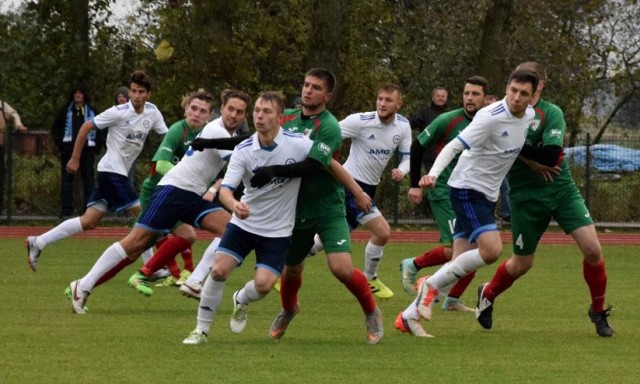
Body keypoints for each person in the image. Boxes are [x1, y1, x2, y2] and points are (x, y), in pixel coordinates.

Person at [66, 90, 243, 314]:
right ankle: (83, 285)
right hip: (172, 191)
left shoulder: (220, 133)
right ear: (222, 109)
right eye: (231, 109)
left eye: (240, 112)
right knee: (135, 243)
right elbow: (240, 160)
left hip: (191, 197)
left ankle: (194, 280)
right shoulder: (214, 130)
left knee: (232, 229)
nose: (234, 115)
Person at [476, 62, 613, 337]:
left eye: (530, 84)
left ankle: (597, 310)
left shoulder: (551, 113)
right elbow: (489, 145)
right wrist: (528, 157)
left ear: (539, 86)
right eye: (517, 85)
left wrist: (516, 150)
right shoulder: (497, 114)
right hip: (526, 198)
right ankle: (487, 293)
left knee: (593, 250)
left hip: (561, 190)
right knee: (521, 264)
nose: (521, 92)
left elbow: (550, 156)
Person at [250, 68, 382, 345]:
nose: (308, 90)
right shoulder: (285, 118)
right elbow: (254, 142)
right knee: (291, 269)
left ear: (328, 96)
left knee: (342, 268)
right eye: (306, 85)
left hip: (327, 206)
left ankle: (372, 311)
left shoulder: (329, 126)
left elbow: (315, 165)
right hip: (294, 208)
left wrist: (355, 192)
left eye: (316, 87)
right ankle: (288, 309)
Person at [407, 68, 538, 337]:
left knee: (457, 262)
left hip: (487, 194)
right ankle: (429, 285)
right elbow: (454, 146)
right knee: (491, 250)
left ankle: (410, 315)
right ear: (506, 89)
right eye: (513, 90)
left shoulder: (530, 117)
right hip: (466, 188)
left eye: (523, 93)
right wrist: (431, 174)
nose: (516, 97)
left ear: (533, 96)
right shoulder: (489, 117)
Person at [182, 91, 314, 344]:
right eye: (257, 111)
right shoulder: (244, 148)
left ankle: (241, 298)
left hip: (277, 231)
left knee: (263, 286)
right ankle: (201, 330)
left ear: (279, 117)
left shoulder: (299, 145)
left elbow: (323, 162)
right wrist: (233, 204)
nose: (260, 116)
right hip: (243, 225)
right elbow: (226, 190)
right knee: (219, 271)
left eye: (266, 112)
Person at [25, 70, 168, 272]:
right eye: (133, 91)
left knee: (89, 221)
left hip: (116, 172)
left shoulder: (153, 112)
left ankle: (38, 242)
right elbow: (85, 127)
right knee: (143, 216)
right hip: (112, 171)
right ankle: (152, 268)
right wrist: (75, 157)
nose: (136, 95)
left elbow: (168, 138)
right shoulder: (118, 112)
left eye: (141, 92)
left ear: (148, 94)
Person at [128, 90, 252, 298]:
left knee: (194, 234)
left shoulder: (218, 134)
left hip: (186, 193)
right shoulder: (182, 130)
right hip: (166, 190)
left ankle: (182, 277)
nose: (196, 114)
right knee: (137, 241)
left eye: (202, 111)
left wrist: (212, 189)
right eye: (193, 109)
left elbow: (228, 170)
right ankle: (89, 283)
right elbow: (160, 165)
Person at [396, 76, 490, 337]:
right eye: (466, 93)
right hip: (446, 192)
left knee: (466, 258)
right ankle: (415, 267)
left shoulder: (490, 121)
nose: (469, 98)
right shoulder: (447, 120)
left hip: (474, 196)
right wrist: (414, 184)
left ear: (486, 98)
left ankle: (422, 307)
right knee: (466, 252)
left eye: (475, 94)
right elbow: (417, 147)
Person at [306, 83, 412, 299]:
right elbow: (326, 134)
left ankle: (284, 263)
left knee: (324, 239)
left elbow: (407, 157)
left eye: (388, 100)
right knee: (382, 231)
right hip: (349, 185)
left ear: (398, 104)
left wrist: (402, 170)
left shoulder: (403, 126)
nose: (382, 104)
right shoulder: (360, 121)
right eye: (380, 99)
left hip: (369, 188)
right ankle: (370, 279)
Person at [50, 85, 98, 218]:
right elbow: (55, 129)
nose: (78, 95)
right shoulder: (65, 111)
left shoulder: (92, 111)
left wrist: (96, 147)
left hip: (87, 152)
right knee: (66, 181)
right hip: (68, 152)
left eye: (80, 93)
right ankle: (66, 210)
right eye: (75, 93)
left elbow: (100, 129)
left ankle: (88, 211)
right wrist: (62, 146)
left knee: (88, 180)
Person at [408, 86, 449, 174]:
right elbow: (409, 123)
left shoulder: (450, 115)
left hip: (446, 156)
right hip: (429, 157)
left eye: (443, 96)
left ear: (446, 99)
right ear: (433, 98)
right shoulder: (424, 113)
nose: (440, 98)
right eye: (438, 96)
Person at [0, 98, 28, 213]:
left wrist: (18, 124)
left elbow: (13, 114)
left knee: (0, 177)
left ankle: (0, 207)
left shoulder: (1, 105)